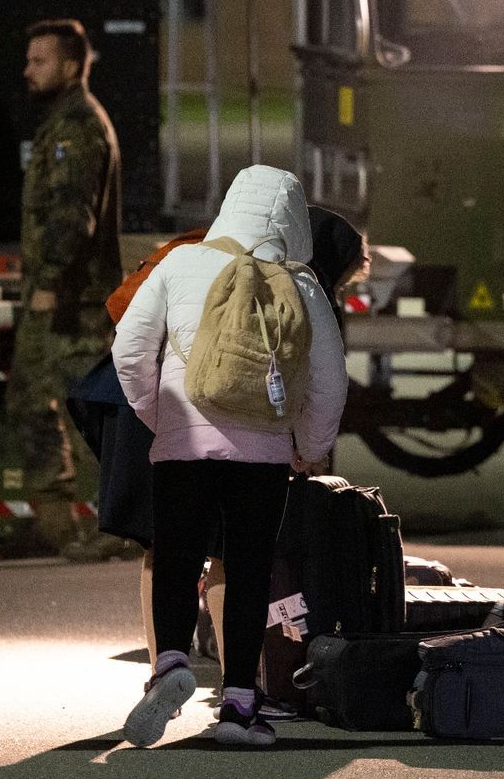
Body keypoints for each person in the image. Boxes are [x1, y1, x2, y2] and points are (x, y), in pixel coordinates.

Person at [111, 165, 349, 747]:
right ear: (294, 219)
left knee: (176, 555)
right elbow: (329, 380)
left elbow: (129, 348)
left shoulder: (180, 262)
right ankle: (240, 706)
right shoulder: (303, 283)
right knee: (247, 571)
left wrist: (158, 416)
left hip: (181, 445)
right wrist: (309, 449)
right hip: (263, 455)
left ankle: (170, 664)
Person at [10, 19, 126, 558]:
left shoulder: (78, 125)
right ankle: (55, 524)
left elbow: (72, 216)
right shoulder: (60, 121)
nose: (28, 70)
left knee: (89, 415)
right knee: (32, 402)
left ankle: (118, 526)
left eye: (40, 61)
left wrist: (51, 283)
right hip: (51, 300)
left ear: (72, 65)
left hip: (72, 304)